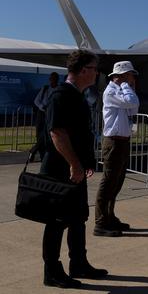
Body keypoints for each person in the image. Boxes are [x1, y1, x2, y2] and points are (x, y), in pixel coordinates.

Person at [40, 50, 107, 288]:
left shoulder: (78, 95)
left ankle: (78, 263)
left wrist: (84, 164)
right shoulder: (61, 95)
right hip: (61, 170)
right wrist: (75, 164)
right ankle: (52, 272)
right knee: (57, 221)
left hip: (75, 171)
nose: (97, 73)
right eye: (94, 68)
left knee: (78, 218)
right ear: (82, 70)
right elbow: (57, 133)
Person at [94, 61, 140, 237]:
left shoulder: (121, 90)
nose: (132, 78)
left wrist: (127, 87)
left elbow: (134, 106)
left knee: (117, 182)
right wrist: (127, 86)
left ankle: (109, 216)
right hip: (113, 142)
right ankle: (100, 222)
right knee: (108, 182)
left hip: (122, 141)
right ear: (119, 76)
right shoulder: (111, 91)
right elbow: (131, 101)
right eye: (129, 75)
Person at [30, 72, 59, 162]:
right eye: (51, 78)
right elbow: (36, 101)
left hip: (51, 114)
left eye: (55, 78)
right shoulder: (45, 89)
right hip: (42, 114)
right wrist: (43, 107)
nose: (52, 80)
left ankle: (34, 151)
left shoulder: (58, 90)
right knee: (40, 135)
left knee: (46, 135)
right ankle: (41, 154)